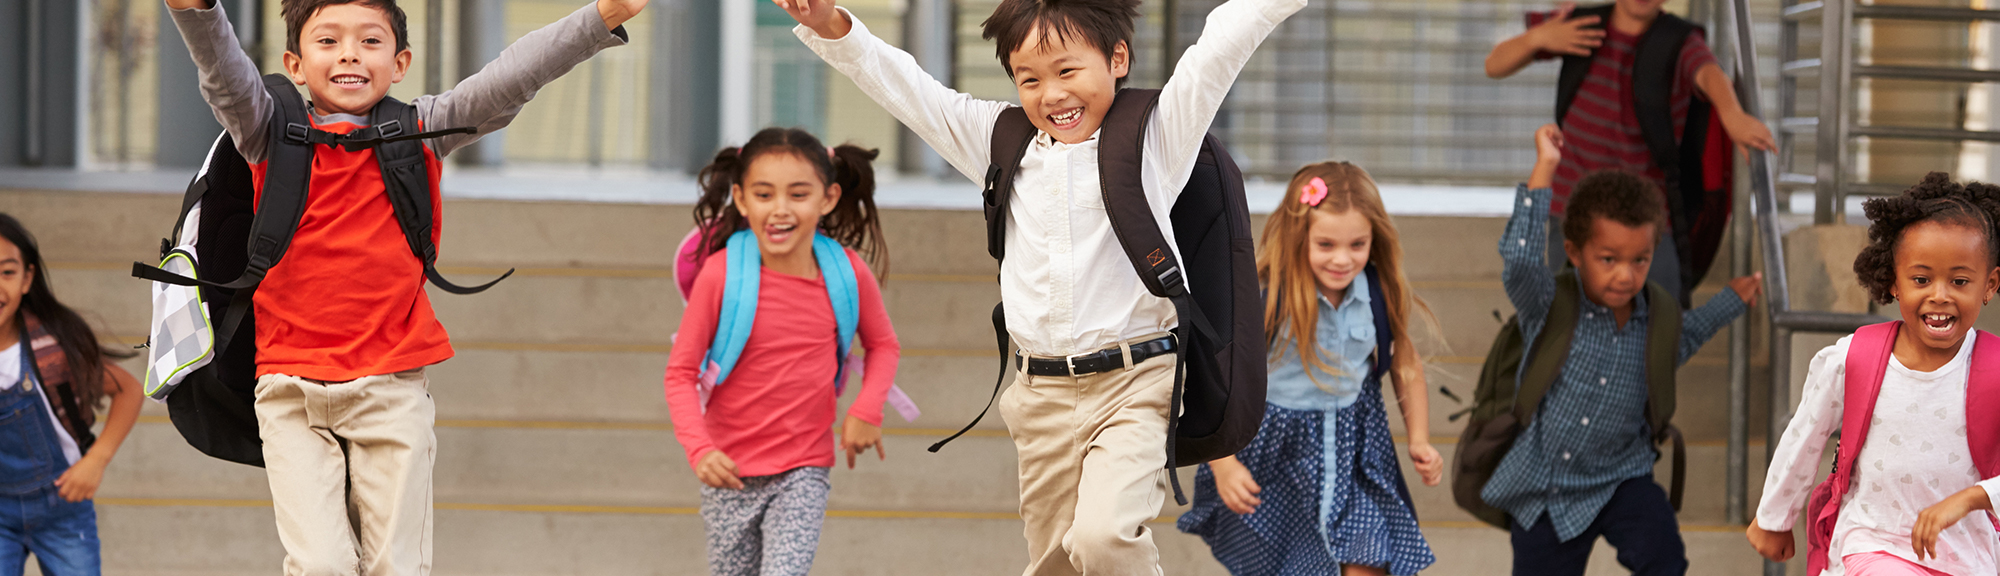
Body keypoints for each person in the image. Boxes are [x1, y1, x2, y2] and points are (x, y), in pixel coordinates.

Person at [774, 0, 1305, 573]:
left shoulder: (1157, 137)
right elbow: (909, 89)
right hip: (1040, 396)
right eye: (1030, 78)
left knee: (1104, 539)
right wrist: (830, 24)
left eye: (1068, 71)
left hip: (1135, 385)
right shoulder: (1000, 142)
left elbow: (1221, 45)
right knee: (1055, 563)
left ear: (1117, 58)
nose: (1052, 94)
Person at [161, 0, 646, 572]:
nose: (349, 53)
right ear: (294, 64)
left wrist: (602, 15)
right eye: (328, 41)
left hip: (390, 390)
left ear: (400, 63)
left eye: (370, 41)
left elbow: (514, 75)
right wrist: (197, 10)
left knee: (397, 566)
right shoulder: (267, 131)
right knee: (320, 566)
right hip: (290, 392)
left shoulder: (421, 129)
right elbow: (223, 72)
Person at [1483, 124, 1761, 575]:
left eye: (1640, 260)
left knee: (1664, 558)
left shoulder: (1656, 320)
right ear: (1574, 252)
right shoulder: (1549, 304)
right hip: (1547, 487)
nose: (1625, 276)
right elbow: (1518, 263)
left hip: (1621, 477)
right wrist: (1544, 170)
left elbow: (1688, 335)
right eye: (1608, 259)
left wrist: (1732, 299)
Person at [1177, 162, 1439, 576]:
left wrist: (1419, 439)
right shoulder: (1264, 299)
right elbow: (1216, 382)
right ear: (1300, 237)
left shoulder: (1378, 291)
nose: (1342, 259)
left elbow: (1405, 364)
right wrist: (1223, 462)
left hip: (1355, 455)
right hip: (1277, 461)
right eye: (1326, 244)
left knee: (1371, 557)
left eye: (1357, 244)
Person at [662, 128, 901, 576]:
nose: (780, 209)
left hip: (803, 469)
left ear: (828, 198)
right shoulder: (720, 275)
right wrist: (699, 450)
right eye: (764, 194)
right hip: (726, 471)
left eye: (798, 193)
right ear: (742, 199)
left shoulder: (847, 273)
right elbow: (680, 374)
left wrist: (868, 409)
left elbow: (883, 345)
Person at [1747, 173, 2000, 576]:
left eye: (1960, 281)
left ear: (1989, 286)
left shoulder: (1995, 370)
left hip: (1966, 557)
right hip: (1871, 542)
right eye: (1921, 279)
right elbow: (1805, 437)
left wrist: (1970, 498)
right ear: (1894, 282)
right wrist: (1774, 517)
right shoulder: (1855, 358)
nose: (1939, 294)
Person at [1485, 0, 1776, 304]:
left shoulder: (1680, 40)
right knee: (1571, 321)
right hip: (1574, 209)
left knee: (1659, 324)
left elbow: (1709, 74)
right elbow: (1494, 65)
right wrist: (1538, 38)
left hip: (1646, 218)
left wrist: (1733, 115)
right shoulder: (1580, 23)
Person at [0, 214, 143, 576]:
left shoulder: (56, 349)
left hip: (62, 509)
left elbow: (128, 388)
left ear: (28, 278)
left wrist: (97, 459)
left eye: (7, 272)